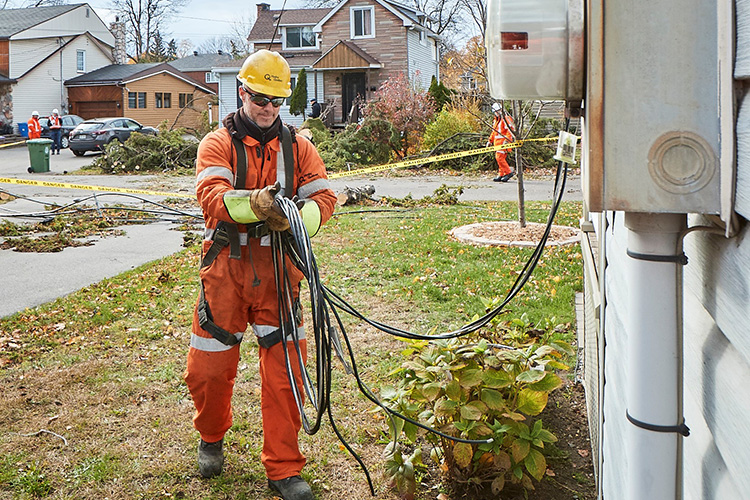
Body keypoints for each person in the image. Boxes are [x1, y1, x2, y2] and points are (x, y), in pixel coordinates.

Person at [184, 49, 336, 500]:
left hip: (278, 272)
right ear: (242, 92)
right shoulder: (217, 143)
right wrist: (256, 205)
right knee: (209, 368)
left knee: (287, 372)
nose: (268, 107)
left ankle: (285, 469)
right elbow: (211, 197)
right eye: (259, 97)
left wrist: (295, 218)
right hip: (227, 271)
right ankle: (211, 438)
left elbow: (324, 198)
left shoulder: (299, 146)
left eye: (275, 99)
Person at [487, 102, 515, 182]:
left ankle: (508, 172)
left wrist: (507, 141)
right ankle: (501, 174)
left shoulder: (506, 119)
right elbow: (494, 132)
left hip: (503, 143)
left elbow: (510, 131)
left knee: (499, 158)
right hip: (498, 143)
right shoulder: (496, 121)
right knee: (500, 159)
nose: (496, 113)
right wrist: (490, 140)